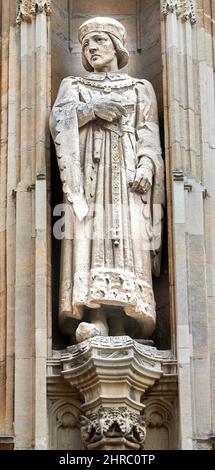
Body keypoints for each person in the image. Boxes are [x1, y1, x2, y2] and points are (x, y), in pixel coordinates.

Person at [50, 17, 164, 343]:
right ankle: (96, 315)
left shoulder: (140, 88)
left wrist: (145, 166)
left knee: (127, 238)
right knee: (93, 237)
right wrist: (91, 109)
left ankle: (121, 323)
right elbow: (58, 121)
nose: (91, 48)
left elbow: (148, 133)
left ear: (115, 46)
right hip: (90, 175)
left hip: (127, 174)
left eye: (98, 41)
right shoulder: (74, 86)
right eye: (86, 45)